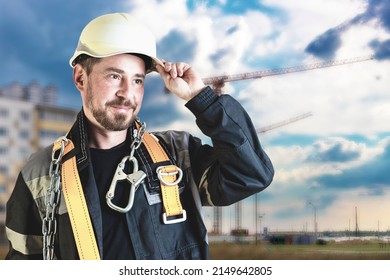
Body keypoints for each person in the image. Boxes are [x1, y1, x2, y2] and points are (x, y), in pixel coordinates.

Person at [5, 12, 274, 260]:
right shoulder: (39, 174)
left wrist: (201, 98)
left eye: (137, 80)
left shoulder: (176, 154)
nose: (127, 93)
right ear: (80, 78)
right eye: (114, 76)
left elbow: (251, 174)